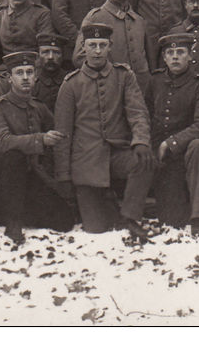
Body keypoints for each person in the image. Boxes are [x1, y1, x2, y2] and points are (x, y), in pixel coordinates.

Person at [53, 23, 155, 240]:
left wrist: (141, 141)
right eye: (92, 45)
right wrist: (64, 175)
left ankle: (130, 216)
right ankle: (106, 201)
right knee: (96, 228)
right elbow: (63, 134)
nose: (97, 50)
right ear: (83, 48)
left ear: (110, 47)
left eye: (102, 45)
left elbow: (137, 112)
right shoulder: (71, 84)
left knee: (144, 160)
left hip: (117, 154)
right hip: (86, 162)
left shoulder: (124, 76)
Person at [0, 51, 76, 243]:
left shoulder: (38, 107)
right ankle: (13, 222)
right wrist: (41, 139)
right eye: (19, 73)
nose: (25, 77)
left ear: (36, 76)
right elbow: (3, 142)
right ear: (9, 78)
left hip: (31, 176)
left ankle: (18, 212)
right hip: (0, 180)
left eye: (29, 72)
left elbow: (57, 134)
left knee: (65, 221)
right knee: (13, 156)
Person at [144, 34, 199, 237]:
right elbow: (145, 115)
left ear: (189, 56)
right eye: (170, 53)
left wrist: (171, 142)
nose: (175, 57)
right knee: (171, 218)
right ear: (165, 58)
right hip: (164, 156)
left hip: (188, 151)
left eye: (180, 52)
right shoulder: (155, 81)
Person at [73, 0, 150, 92]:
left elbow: (147, 59)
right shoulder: (96, 17)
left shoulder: (139, 21)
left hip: (139, 91)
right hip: (107, 91)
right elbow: (79, 57)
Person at [31, 32, 72, 112]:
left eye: (56, 52)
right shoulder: (32, 83)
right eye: (45, 52)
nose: (50, 57)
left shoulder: (71, 82)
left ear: (63, 56)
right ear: (38, 55)